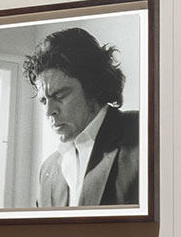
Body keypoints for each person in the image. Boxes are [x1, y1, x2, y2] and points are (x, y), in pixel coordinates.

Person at [24, 27, 141, 209]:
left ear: (93, 87)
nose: (49, 112)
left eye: (60, 96)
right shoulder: (47, 170)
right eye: (43, 100)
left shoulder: (144, 133)